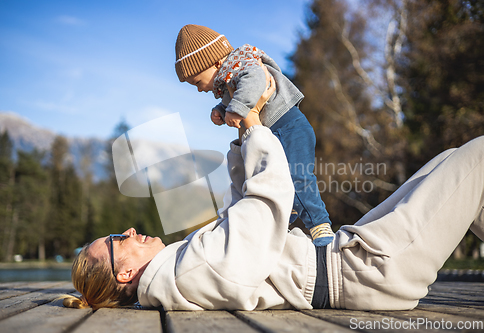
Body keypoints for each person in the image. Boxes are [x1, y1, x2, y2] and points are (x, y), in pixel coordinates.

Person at [62, 75, 484, 310]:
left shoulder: (179, 269)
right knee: (477, 159)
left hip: (349, 261)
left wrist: (239, 142)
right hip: (367, 271)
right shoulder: (186, 272)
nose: (129, 230)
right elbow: (267, 205)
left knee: (452, 159)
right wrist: (255, 125)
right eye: (118, 240)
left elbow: (239, 213)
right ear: (123, 273)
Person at [174, 24, 334, 247]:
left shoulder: (241, 65)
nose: (200, 89)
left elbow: (255, 81)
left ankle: (320, 226)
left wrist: (235, 109)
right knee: (278, 181)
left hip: (290, 129)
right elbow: (240, 95)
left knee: (299, 179)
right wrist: (221, 111)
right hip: (278, 132)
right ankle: (281, 218)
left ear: (215, 63)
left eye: (197, 82)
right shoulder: (229, 79)